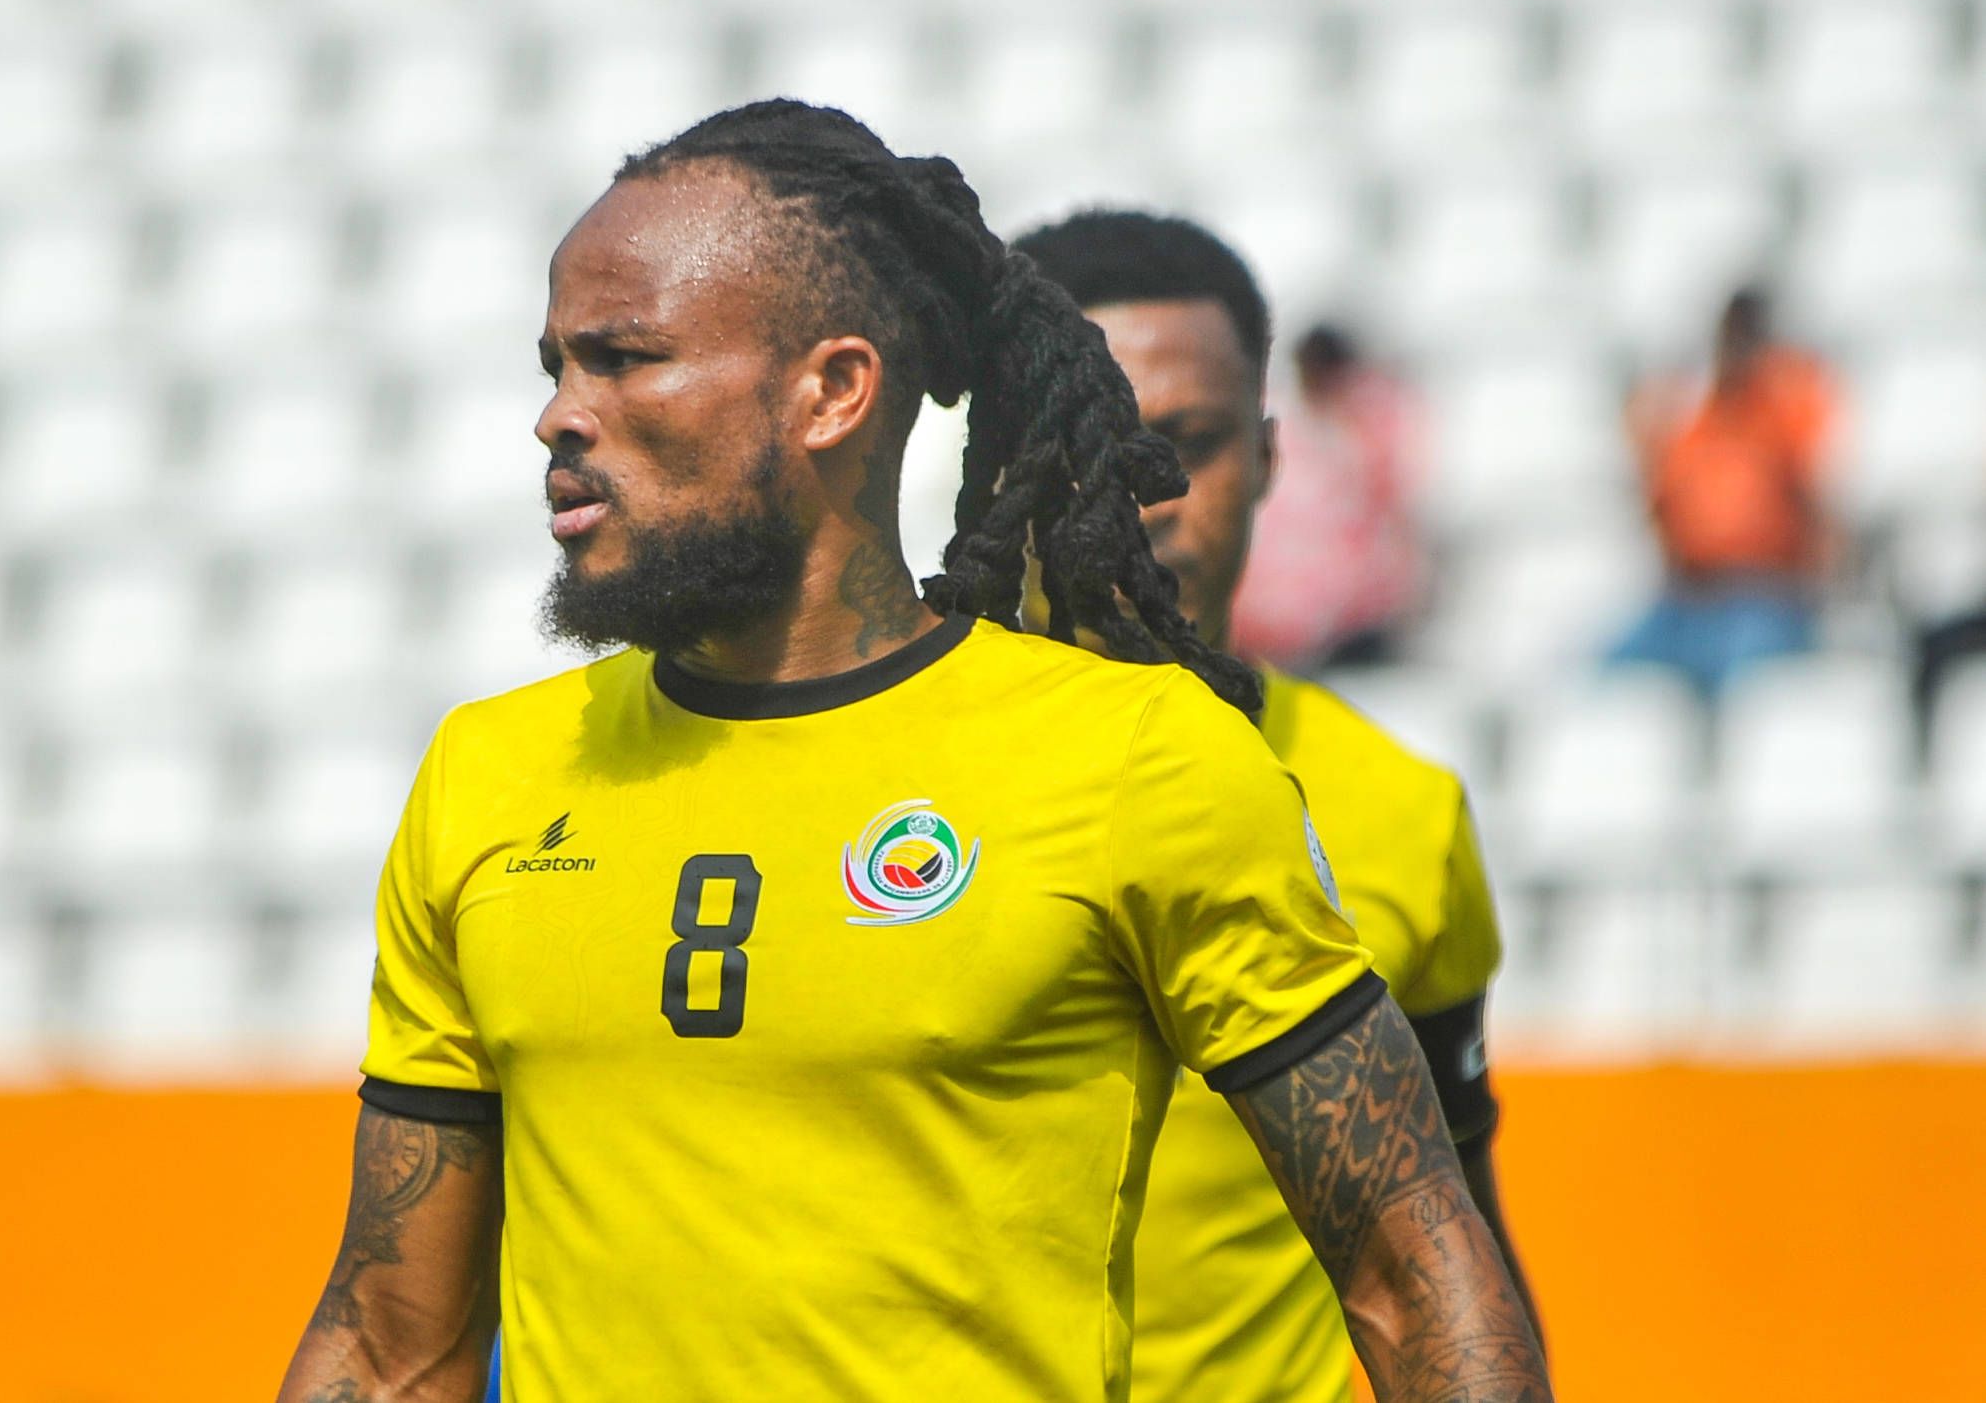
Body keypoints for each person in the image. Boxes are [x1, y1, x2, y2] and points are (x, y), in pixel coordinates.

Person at [276, 101, 1548, 1403]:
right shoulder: (486, 774)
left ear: (833, 389)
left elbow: (1416, 1275)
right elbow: (387, 1349)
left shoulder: (1137, 759)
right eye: (555, 365)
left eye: (624, 358)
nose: (559, 415)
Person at [1015, 209, 1541, 1403]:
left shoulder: (1401, 811)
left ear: (1267, 459)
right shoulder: (876, 766)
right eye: (1086, 443)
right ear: (999, 458)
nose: (1143, 494)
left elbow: (1449, 1251)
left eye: (1187, 444)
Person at [1608, 286, 1840, 696]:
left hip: (1766, 598)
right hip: (1689, 604)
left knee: (1743, 683)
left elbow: (1817, 513)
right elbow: (1664, 515)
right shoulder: (1692, 421)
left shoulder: (1791, 412)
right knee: (1609, 676)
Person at [1227, 322, 1426, 671]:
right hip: (1271, 631)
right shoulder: (1275, 431)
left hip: (1357, 625)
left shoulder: (1377, 430)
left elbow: (1397, 526)